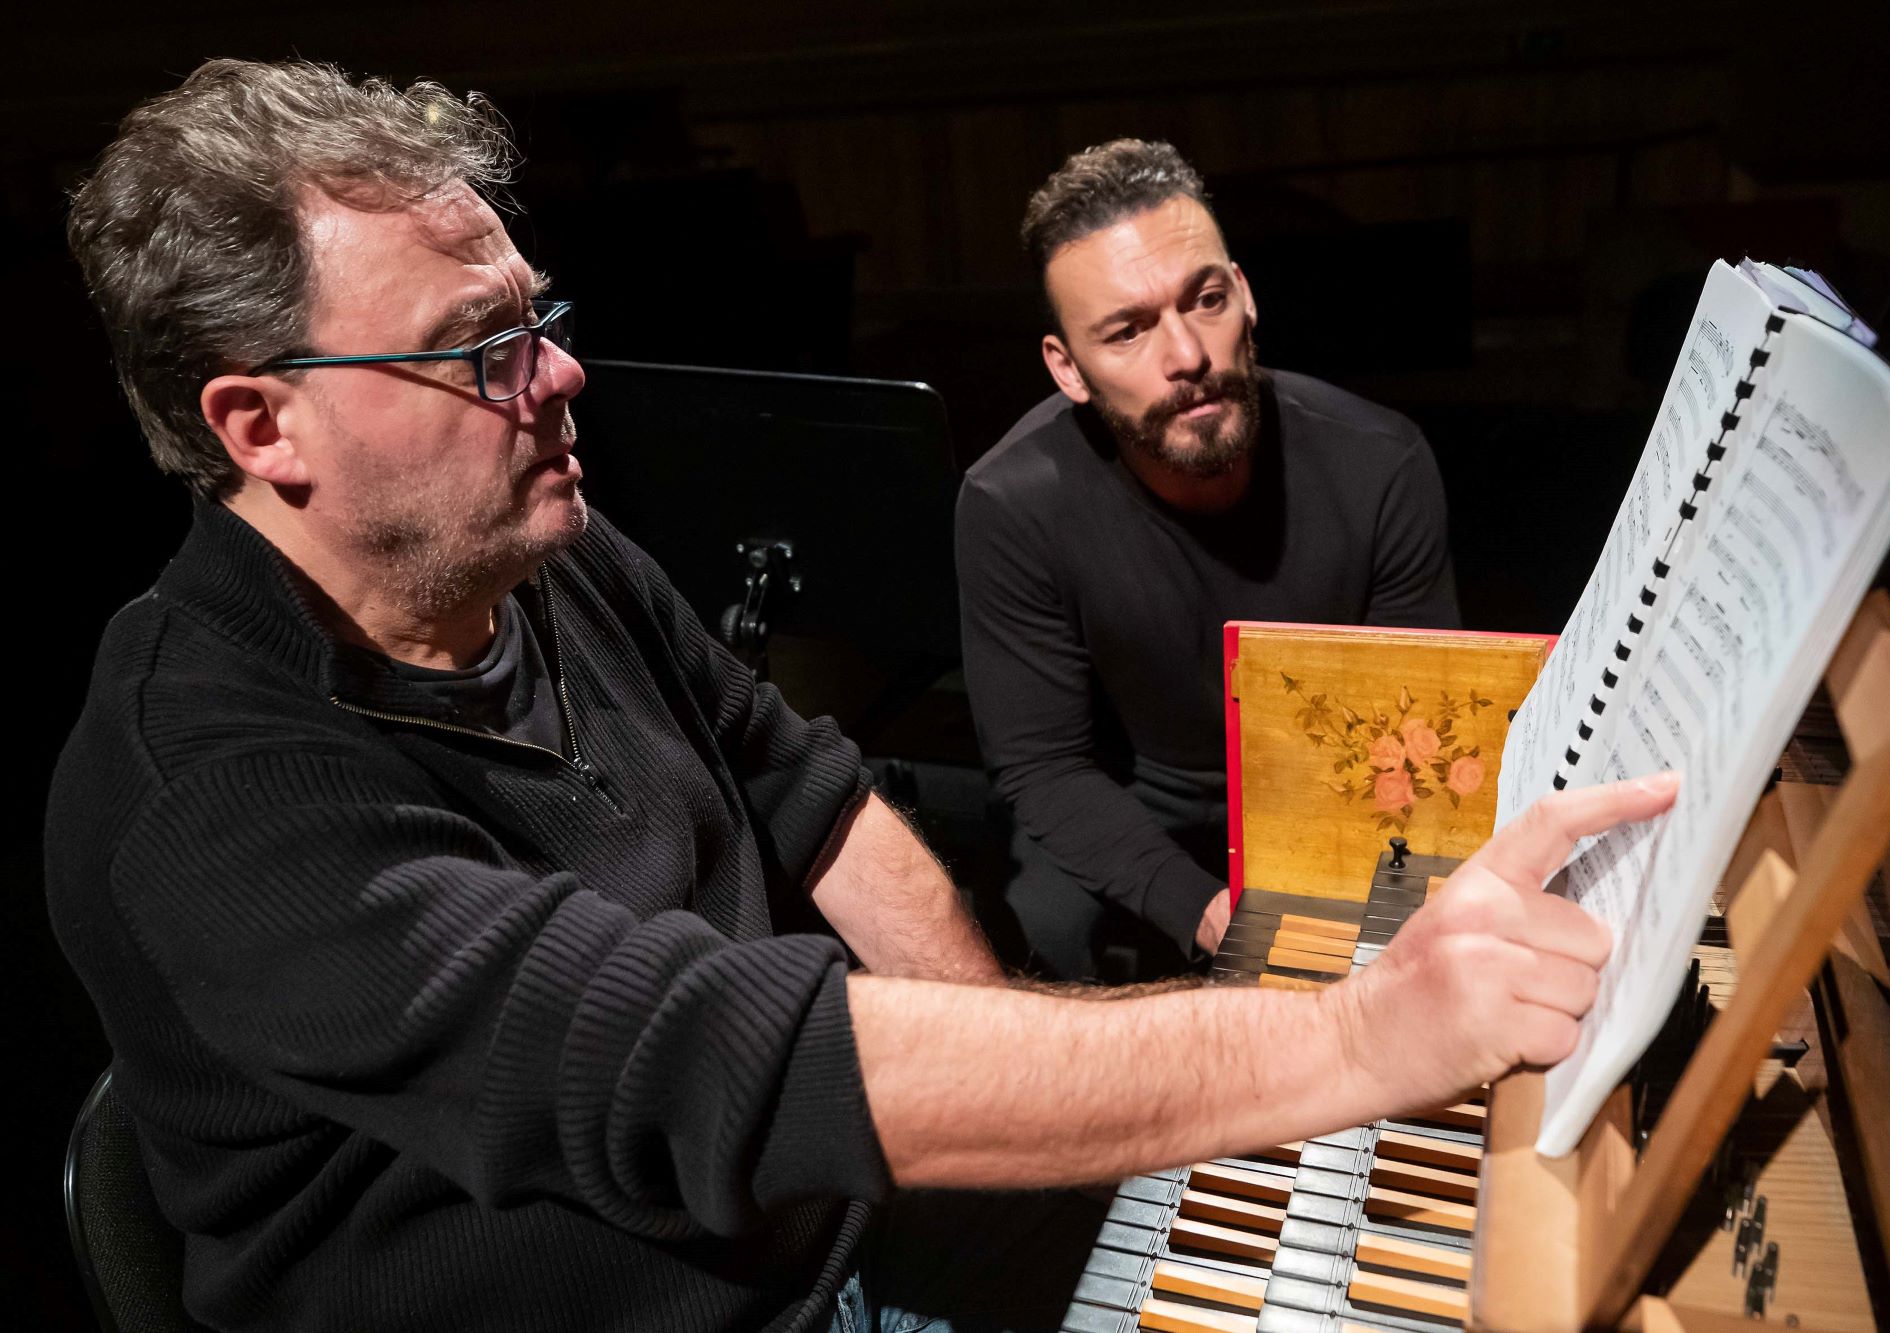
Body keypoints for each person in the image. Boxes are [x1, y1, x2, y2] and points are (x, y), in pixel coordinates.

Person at [48, 61, 1674, 1333]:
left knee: (1370, 1211)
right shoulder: (219, 803)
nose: (560, 375)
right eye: (478, 349)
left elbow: (808, 796)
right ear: (263, 426)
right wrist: (1357, 1027)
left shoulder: (552, 548)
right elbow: (720, 1066)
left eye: (539, 317)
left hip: (838, 1226)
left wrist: (1032, 1083)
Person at [957, 140, 1461, 981]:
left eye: (1206, 300)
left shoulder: (1382, 464)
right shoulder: (1011, 502)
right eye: (1127, 331)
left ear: (1246, 294)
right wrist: (1206, 910)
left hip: (1331, 788)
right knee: (1036, 936)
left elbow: (1420, 740)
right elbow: (1044, 764)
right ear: (1067, 369)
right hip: (1130, 796)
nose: (1188, 355)